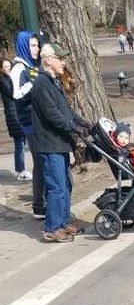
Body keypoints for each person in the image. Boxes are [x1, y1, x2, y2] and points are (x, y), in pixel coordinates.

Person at [31, 43, 89, 243]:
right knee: (57, 187)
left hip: (60, 143)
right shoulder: (41, 84)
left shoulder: (53, 81)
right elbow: (52, 115)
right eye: (60, 58)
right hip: (50, 144)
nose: (64, 62)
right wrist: (73, 128)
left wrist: (81, 121)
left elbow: (65, 109)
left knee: (65, 185)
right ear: (48, 60)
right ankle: (52, 228)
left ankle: (63, 222)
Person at [10, 31, 43, 217]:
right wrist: (34, 82)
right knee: (40, 162)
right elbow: (17, 94)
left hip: (39, 121)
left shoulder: (32, 66)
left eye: (37, 45)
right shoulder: (18, 68)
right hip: (30, 123)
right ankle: (39, 205)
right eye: (32, 45)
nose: (36, 49)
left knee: (43, 162)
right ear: (23, 46)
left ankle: (42, 201)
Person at [1, 59, 30, 181]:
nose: (8, 68)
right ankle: (20, 171)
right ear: (2, 68)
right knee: (20, 144)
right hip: (13, 116)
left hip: (17, 114)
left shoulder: (10, 78)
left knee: (21, 143)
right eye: (5, 66)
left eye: (9, 66)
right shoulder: (3, 80)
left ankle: (21, 170)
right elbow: (12, 93)